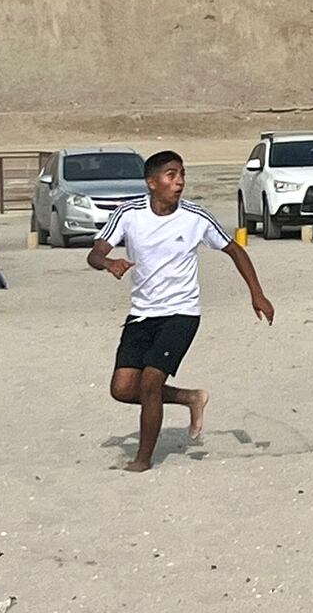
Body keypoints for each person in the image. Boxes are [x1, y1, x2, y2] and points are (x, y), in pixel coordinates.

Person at [88, 151, 274, 472]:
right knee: (122, 389)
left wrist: (257, 293)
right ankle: (190, 397)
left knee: (149, 384)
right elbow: (95, 253)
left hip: (182, 313)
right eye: (171, 175)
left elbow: (234, 249)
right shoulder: (129, 214)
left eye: (182, 175)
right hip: (142, 314)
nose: (179, 182)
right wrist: (108, 263)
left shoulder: (195, 216)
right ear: (152, 183)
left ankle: (143, 460)